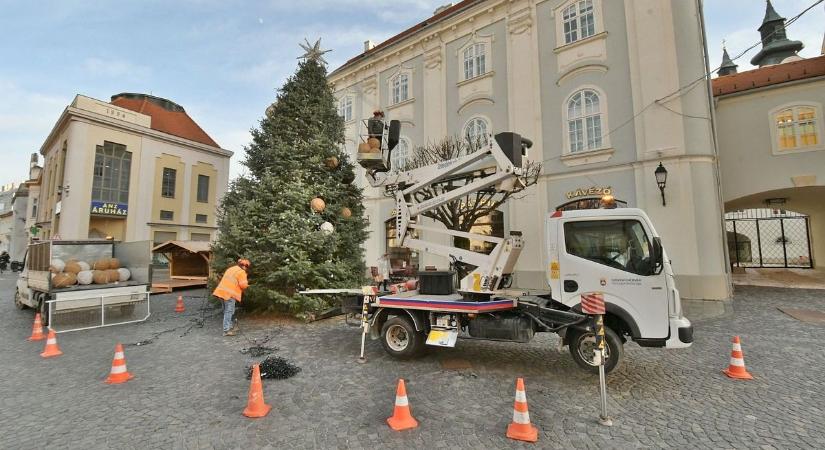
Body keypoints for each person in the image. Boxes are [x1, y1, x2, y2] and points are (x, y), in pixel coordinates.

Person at [212, 258, 250, 336]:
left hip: (221, 292)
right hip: (229, 294)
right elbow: (243, 285)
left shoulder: (231, 269)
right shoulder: (241, 272)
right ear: (245, 266)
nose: (246, 269)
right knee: (229, 312)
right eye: (247, 267)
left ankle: (230, 326)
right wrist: (248, 285)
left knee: (227, 311)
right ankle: (226, 330)